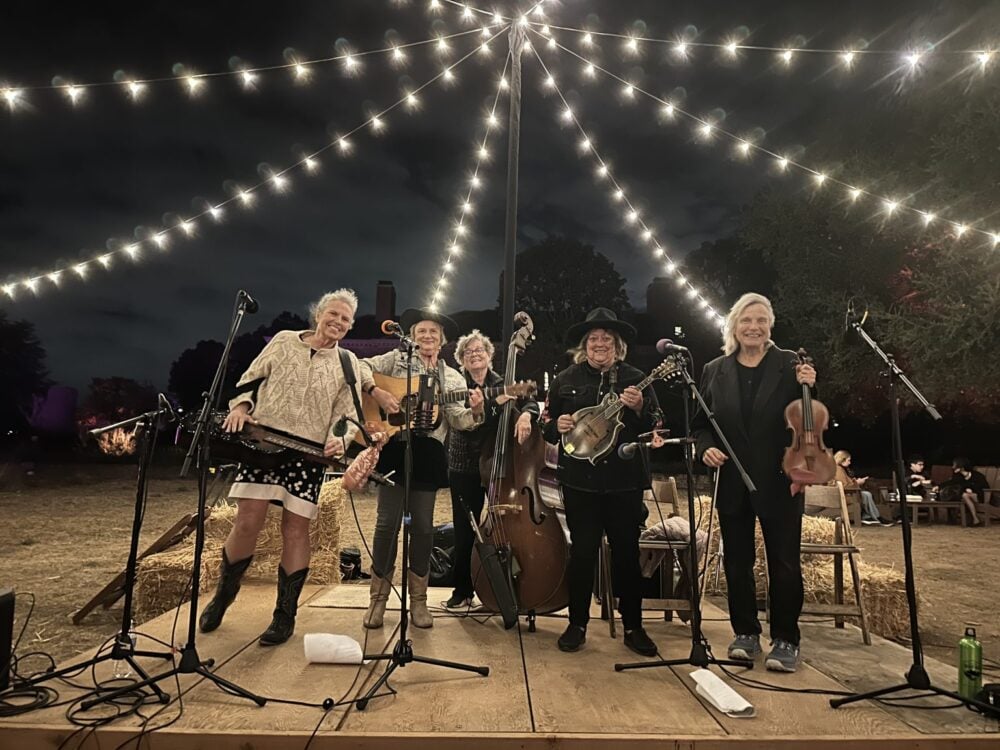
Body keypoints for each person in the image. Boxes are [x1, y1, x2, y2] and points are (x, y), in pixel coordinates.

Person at [199, 289, 366, 646]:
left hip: (305, 455)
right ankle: (223, 595)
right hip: (262, 444)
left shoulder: (347, 363)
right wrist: (242, 406)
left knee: (296, 529)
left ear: (349, 327)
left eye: (345, 319)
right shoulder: (283, 341)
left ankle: (284, 615)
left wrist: (341, 437)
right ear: (318, 314)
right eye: (333, 314)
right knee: (247, 522)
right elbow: (251, 378)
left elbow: (348, 414)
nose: (338, 322)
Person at [693, 292, 815, 673]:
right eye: (747, 320)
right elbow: (702, 425)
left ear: (770, 326)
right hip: (731, 479)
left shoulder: (791, 364)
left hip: (780, 480)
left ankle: (785, 639)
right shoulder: (714, 370)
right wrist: (706, 449)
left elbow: (806, 419)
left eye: (761, 320)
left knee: (783, 563)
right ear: (733, 326)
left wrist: (811, 387)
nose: (754, 327)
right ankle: (745, 632)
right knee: (737, 561)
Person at [542, 307, 662, 657]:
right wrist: (557, 426)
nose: (599, 343)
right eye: (593, 338)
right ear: (585, 344)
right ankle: (576, 623)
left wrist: (640, 408)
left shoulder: (637, 378)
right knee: (582, 554)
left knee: (627, 555)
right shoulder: (566, 378)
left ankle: (634, 626)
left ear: (617, 345)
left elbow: (656, 423)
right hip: (580, 483)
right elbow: (548, 424)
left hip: (624, 483)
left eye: (606, 339)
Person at [359, 309, 484, 629]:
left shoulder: (453, 377)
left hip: (428, 453)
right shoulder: (393, 360)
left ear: (442, 340)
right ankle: (378, 601)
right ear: (412, 335)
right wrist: (379, 392)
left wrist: (477, 410)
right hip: (393, 448)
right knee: (387, 525)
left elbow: (458, 419)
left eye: (434, 333)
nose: (428, 337)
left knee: (424, 528)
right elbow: (359, 368)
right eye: (422, 331)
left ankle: (418, 602)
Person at [445, 329, 537, 610]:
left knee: (503, 527)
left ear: (489, 356)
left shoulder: (503, 383)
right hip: (463, 464)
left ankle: (502, 587)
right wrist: (483, 407)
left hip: (498, 465)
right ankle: (463, 589)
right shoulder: (455, 385)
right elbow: (462, 421)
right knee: (465, 528)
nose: (475, 355)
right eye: (468, 352)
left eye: (479, 351)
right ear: (461, 359)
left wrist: (525, 414)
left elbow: (531, 400)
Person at [833, 450, 890, 525]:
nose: (850, 463)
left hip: (847, 494)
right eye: (848, 460)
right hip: (844, 496)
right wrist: (857, 483)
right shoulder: (838, 470)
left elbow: (846, 482)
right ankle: (876, 517)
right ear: (842, 460)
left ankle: (868, 516)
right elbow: (844, 486)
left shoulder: (841, 469)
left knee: (866, 494)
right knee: (866, 495)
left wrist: (856, 481)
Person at [940, 457, 989, 527]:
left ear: (961, 467)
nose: (952, 467)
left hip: (981, 496)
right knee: (962, 495)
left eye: (954, 465)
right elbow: (950, 482)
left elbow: (985, 487)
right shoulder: (958, 476)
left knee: (964, 495)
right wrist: (938, 486)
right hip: (967, 497)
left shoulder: (977, 476)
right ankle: (972, 519)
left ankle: (975, 519)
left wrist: (972, 489)